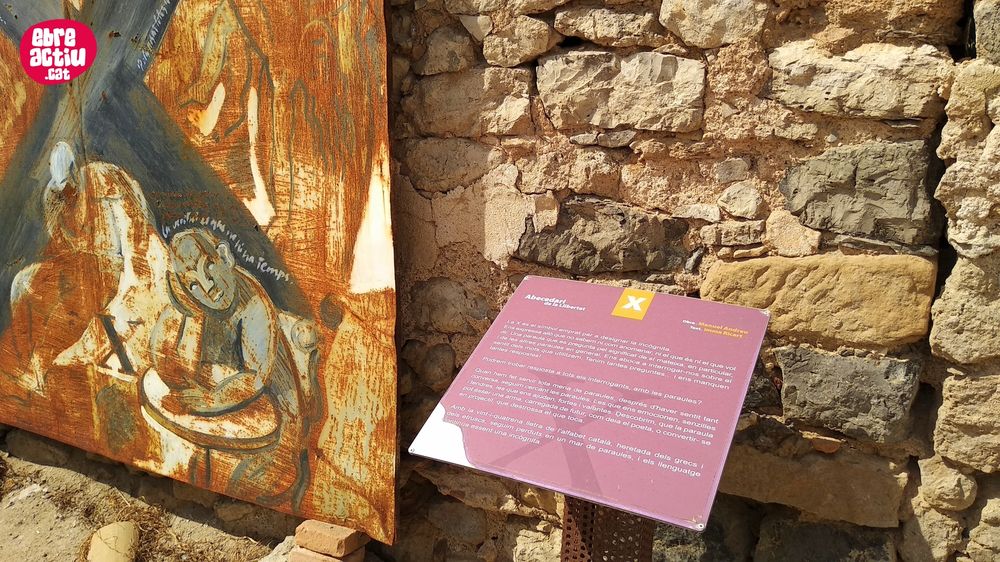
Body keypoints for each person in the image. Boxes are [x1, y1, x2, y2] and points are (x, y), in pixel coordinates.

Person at [150, 228, 318, 509]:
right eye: (193, 285)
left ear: (224, 256)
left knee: (240, 483)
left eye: (208, 268)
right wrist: (183, 311)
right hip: (230, 417)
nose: (208, 288)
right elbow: (161, 350)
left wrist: (210, 400)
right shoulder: (197, 304)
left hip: (276, 434)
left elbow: (254, 378)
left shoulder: (253, 304)